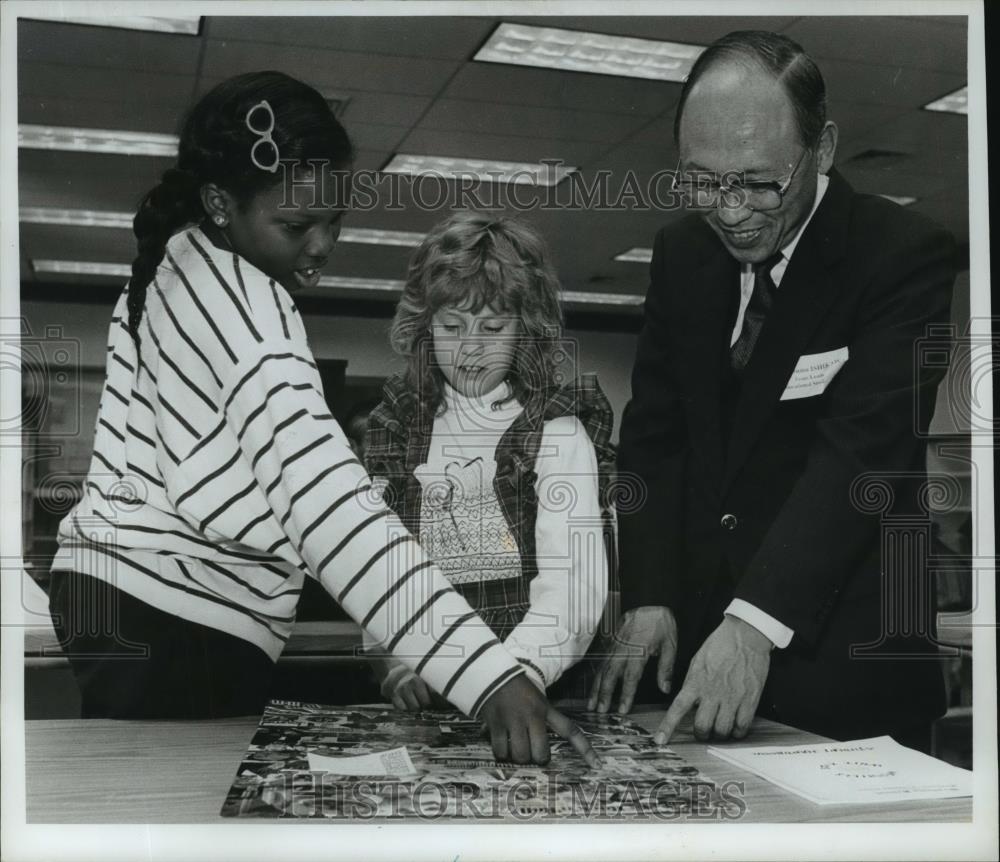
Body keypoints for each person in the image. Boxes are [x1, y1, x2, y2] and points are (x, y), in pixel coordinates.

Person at [46, 70, 598, 768]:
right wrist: (491, 681)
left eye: (334, 220)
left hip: (123, 598)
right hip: (179, 616)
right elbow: (329, 506)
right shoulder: (248, 308)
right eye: (297, 224)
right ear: (221, 203)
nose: (322, 246)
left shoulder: (170, 264)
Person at [590, 31, 956, 751]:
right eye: (702, 180)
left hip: (849, 667)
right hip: (698, 659)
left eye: (759, 181)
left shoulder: (903, 256)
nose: (729, 211)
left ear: (821, 152)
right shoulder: (682, 255)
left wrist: (754, 621)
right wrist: (654, 593)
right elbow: (656, 437)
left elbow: (861, 457)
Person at [363, 212, 614, 711]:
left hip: (536, 683)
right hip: (432, 682)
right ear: (424, 326)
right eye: (452, 326)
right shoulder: (400, 428)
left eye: (493, 327)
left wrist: (512, 675)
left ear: (527, 330)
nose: (470, 349)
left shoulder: (557, 428)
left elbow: (574, 589)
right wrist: (392, 661)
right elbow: (376, 566)